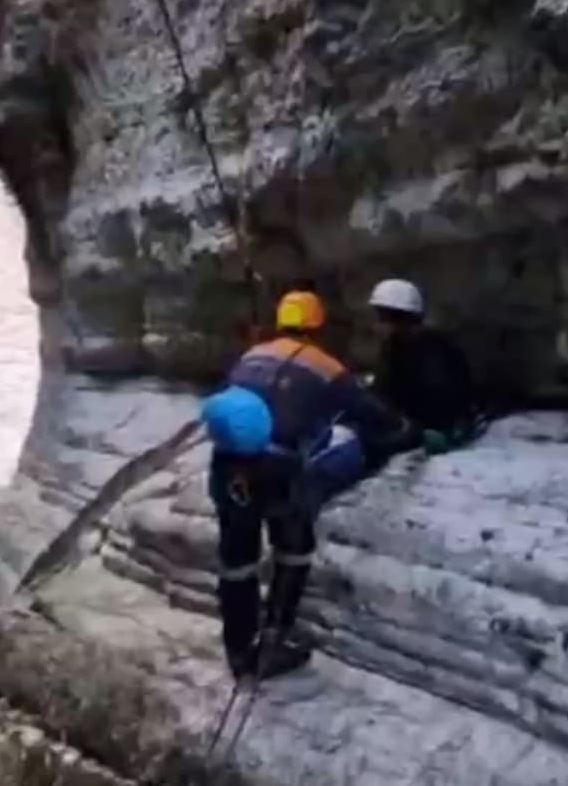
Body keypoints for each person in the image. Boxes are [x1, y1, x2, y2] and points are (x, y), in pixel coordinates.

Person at [201, 290, 419, 680]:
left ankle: (239, 652)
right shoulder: (327, 367)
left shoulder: (252, 355)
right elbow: (373, 415)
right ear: (318, 327)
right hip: (277, 469)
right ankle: (272, 643)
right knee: (294, 549)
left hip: (227, 467)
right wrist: (408, 430)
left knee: (238, 562)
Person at [367, 279, 474, 447]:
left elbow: (443, 404)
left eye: (382, 316)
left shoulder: (437, 353)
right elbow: (384, 387)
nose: (378, 324)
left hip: (430, 428)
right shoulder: (394, 346)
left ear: (401, 318)